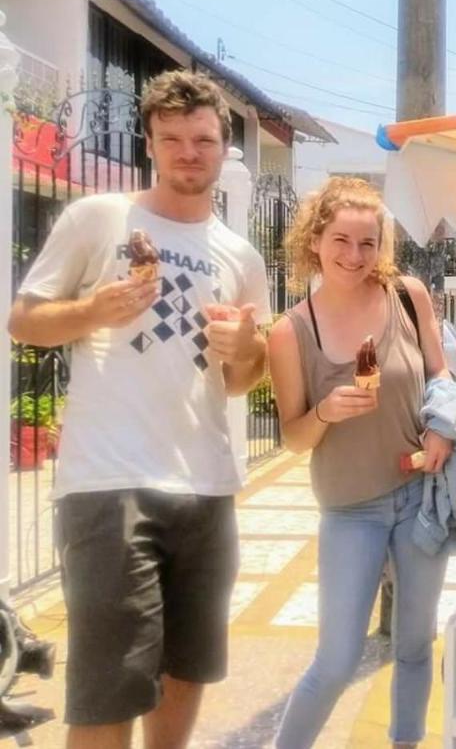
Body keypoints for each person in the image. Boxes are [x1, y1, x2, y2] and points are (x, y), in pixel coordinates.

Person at [8, 70, 271, 749]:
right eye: (174, 138)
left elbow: (244, 379)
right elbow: (24, 320)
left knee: (187, 673)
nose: (190, 152)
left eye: (204, 139)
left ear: (222, 146)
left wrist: (245, 348)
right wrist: (93, 309)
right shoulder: (99, 219)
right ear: (150, 142)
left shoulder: (239, 254)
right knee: (108, 686)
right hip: (109, 485)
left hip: (207, 485)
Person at [270, 177, 453, 749]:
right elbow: (295, 438)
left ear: (382, 246)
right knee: (337, 658)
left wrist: (443, 426)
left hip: (419, 496)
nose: (355, 255)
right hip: (351, 510)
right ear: (315, 241)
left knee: (416, 644)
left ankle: (406, 742)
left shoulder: (408, 295)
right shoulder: (291, 330)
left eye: (368, 243)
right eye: (341, 240)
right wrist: (325, 410)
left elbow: (439, 373)